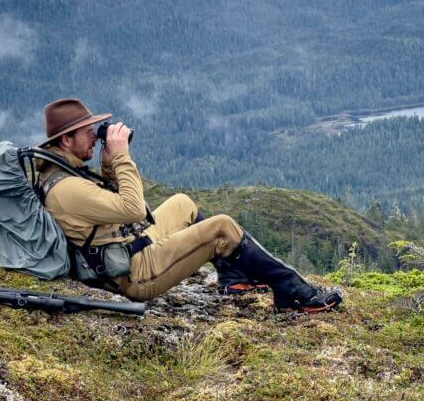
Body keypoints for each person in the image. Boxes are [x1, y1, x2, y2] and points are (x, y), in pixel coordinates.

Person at [36, 97, 342, 313]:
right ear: (66, 140)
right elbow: (132, 208)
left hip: (122, 250)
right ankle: (293, 292)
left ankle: (233, 279)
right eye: (88, 131)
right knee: (222, 226)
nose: (95, 136)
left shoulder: (64, 171)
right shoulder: (68, 188)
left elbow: (107, 208)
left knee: (183, 204)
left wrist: (107, 169)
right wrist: (120, 156)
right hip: (131, 274)